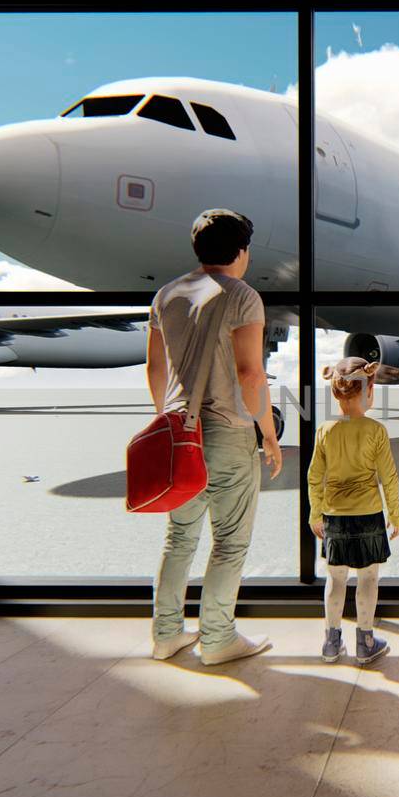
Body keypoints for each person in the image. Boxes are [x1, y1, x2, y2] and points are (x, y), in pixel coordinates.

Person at [147, 208, 283, 665]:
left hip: (180, 430)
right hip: (227, 432)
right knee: (229, 541)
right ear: (242, 252)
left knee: (178, 539)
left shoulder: (166, 295)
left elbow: (155, 368)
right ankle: (218, 638)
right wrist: (268, 432)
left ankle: (167, 634)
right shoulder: (243, 295)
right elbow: (250, 374)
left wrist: (167, 418)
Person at [308, 358, 399, 665]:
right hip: (369, 515)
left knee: (335, 580)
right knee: (368, 578)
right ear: (369, 390)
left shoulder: (325, 430)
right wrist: (395, 515)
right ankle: (366, 641)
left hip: (334, 516)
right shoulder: (376, 430)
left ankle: (331, 643)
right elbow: (388, 477)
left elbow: (314, 477)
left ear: (336, 392)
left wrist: (315, 514)